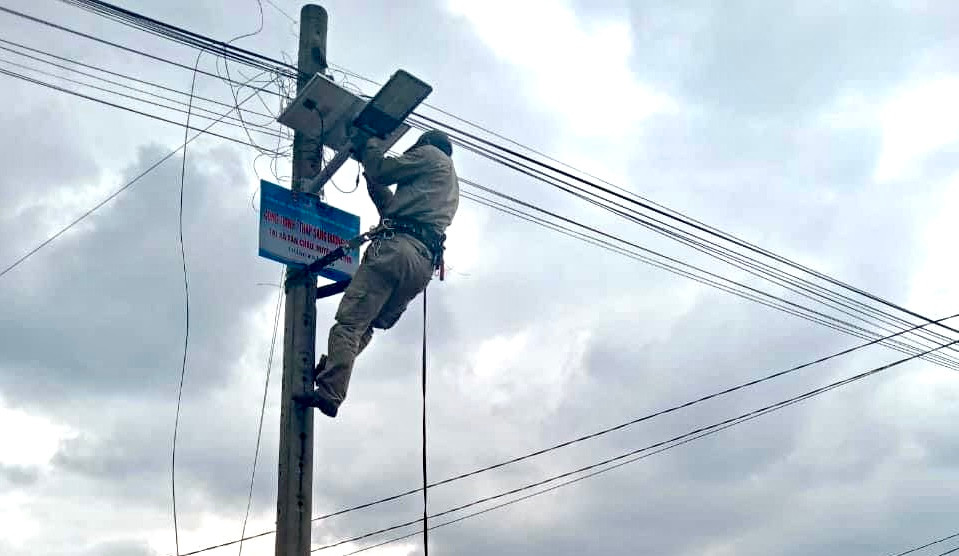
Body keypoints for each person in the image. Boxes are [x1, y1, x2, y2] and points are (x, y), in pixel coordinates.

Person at [296, 129, 459, 417]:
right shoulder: (447, 186)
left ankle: (331, 392)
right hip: (421, 265)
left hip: (395, 252)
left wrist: (369, 146)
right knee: (366, 325)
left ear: (425, 144)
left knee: (349, 323)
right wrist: (368, 166)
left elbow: (384, 171)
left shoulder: (429, 155)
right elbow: (389, 204)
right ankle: (332, 368)